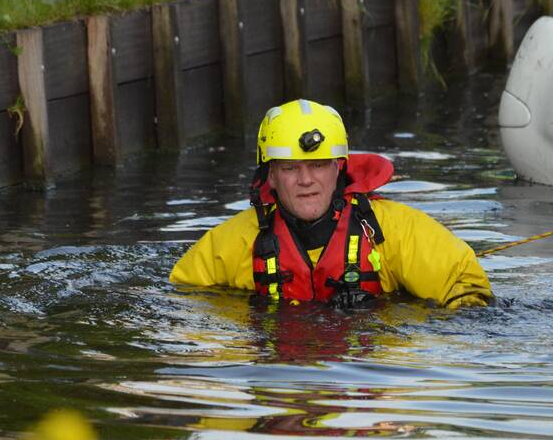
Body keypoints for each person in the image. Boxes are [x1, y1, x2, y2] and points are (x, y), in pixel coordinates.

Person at [169, 99, 493, 310]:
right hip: (279, 374)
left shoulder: (392, 229)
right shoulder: (232, 243)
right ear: (270, 176)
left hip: (366, 375)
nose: (306, 180)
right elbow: (182, 306)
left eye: (319, 165)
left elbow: (468, 290)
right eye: (290, 168)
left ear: (339, 168)